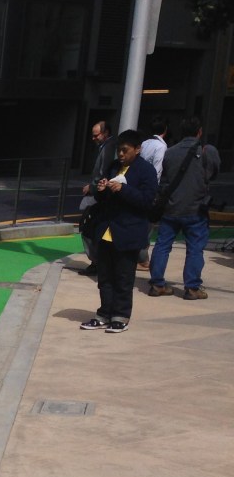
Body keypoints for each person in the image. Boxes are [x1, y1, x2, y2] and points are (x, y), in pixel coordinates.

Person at [80, 129, 158, 334]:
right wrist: (102, 188)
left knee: (123, 278)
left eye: (125, 150)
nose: (121, 155)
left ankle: (120, 315)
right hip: (107, 229)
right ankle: (104, 313)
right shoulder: (114, 166)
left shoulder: (146, 170)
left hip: (128, 231)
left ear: (137, 149)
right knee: (104, 277)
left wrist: (123, 189)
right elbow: (100, 196)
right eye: (119, 151)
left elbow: (146, 200)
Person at [148, 115, 221, 300]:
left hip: (171, 208)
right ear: (200, 131)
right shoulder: (206, 151)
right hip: (196, 209)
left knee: (163, 245)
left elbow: (165, 179)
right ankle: (192, 287)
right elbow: (214, 173)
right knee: (195, 248)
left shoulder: (170, 152)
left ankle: (157, 283)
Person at [79, 120, 115, 276]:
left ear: (105, 133)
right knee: (92, 228)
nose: (93, 139)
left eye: (96, 135)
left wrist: (92, 188)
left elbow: (102, 173)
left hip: (99, 196)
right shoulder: (105, 147)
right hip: (100, 194)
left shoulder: (109, 148)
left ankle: (96, 262)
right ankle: (98, 261)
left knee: (88, 227)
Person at [137, 116, 168, 270]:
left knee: (139, 220)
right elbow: (158, 169)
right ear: (165, 130)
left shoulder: (144, 143)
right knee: (148, 224)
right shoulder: (161, 147)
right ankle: (142, 258)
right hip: (150, 189)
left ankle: (140, 256)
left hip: (138, 186)